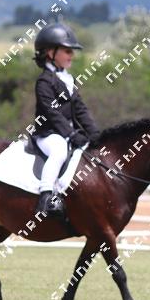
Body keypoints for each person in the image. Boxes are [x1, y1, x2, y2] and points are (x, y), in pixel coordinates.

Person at [32, 22, 100, 215]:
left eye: (72, 51)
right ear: (50, 53)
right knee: (59, 151)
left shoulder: (68, 79)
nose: (72, 55)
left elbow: (80, 109)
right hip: (48, 134)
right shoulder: (44, 82)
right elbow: (52, 113)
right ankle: (46, 196)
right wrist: (71, 135)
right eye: (67, 51)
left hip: (68, 133)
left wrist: (95, 134)